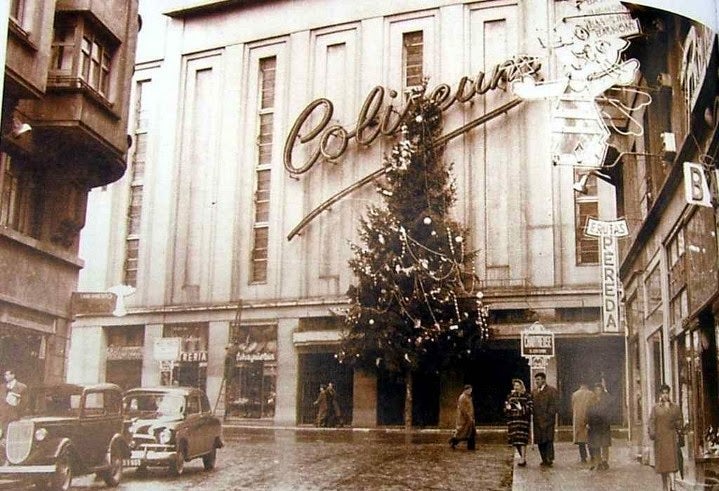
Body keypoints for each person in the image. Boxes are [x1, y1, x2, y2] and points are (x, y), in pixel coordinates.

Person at [649, 384, 684, 491]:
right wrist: (653, 433)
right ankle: (665, 487)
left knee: (671, 465)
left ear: (669, 394)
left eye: (667, 393)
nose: (665, 395)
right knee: (663, 467)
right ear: (660, 394)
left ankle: (673, 487)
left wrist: (676, 423)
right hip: (660, 439)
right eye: (663, 393)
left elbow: (680, 422)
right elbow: (651, 422)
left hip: (671, 438)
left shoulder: (675, 407)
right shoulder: (656, 408)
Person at [532, 372, 559, 466]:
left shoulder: (551, 391)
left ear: (544, 380)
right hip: (537, 421)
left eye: (539, 379)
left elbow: (555, 405)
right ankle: (543, 458)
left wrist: (548, 415)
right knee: (540, 440)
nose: (537, 381)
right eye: (536, 380)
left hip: (548, 420)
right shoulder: (534, 392)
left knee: (548, 440)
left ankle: (549, 458)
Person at [504, 379, 532, 466]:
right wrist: (507, 408)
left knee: (522, 440)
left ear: (521, 386)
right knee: (515, 441)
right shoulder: (510, 396)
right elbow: (506, 408)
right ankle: (522, 457)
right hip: (513, 422)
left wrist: (521, 408)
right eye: (515, 386)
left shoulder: (527, 396)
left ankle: (523, 458)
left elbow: (531, 408)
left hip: (522, 422)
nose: (516, 387)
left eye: (517, 385)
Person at [587, 382, 612, 470]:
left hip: (604, 425)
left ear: (602, 390)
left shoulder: (607, 399)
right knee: (596, 444)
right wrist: (588, 422)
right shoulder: (591, 400)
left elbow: (609, 411)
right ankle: (599, 461)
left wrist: (608, 421)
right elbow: (588, 411)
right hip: (594, 425)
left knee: (604, 444)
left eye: (599, 389)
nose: (598, 391)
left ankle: (605, 460)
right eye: (596, 390)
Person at [572, 381, 594, 463]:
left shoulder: (575, 394)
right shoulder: (591, 394)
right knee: (590, 438)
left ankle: (583, 457)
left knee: (581, 440)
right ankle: (592, 455)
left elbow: (573, 406)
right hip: (589, 418)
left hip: (578, 418)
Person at [449, 384, 476, 450]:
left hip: (470, 418)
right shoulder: (462, 397)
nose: (470, 391)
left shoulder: (468, 397)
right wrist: (467, 416)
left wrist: (472, 416)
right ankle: (453, 441)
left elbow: (470, 408)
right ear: (466, 390)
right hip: (465, 418)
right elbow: (462, 408)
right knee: (463, 433)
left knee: (471, 433)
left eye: (471, 390)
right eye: (469, 390)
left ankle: (471, 447)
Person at [1, 369, 28, 433]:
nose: (6, 377)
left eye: (7, 375)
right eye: (5, 375)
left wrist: (18, 412)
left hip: (15, 416)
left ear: (13, 375)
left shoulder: (22, 387)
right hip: (3, 417)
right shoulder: (2, 387)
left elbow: (24, 403)